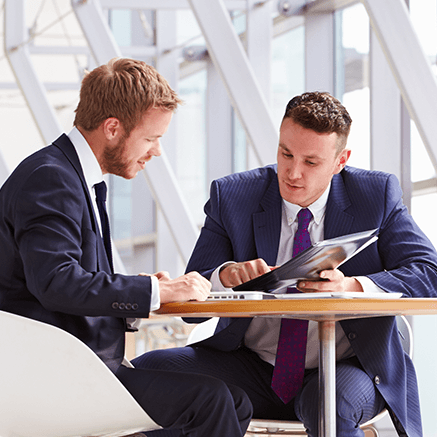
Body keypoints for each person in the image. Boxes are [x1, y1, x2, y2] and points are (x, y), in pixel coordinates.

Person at [133, 91, 437, 437]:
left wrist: (350, 286)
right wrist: (225, 277)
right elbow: (192, 306)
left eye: (311, 162)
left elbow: (429, 272)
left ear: (341, 161)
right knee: (146, 372)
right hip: (252, 367)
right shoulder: (233, 196)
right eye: (285, 154)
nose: (293, 173)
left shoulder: (375, 194)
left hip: (345, 367)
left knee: (329, 407)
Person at [0, 57, 252, 437]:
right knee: (212, 401)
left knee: (235, 402)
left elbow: (68, 278)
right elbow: (56, 283)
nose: (157, 152)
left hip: (76, 364)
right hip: (55, 375)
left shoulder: (71, 177)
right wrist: (153, 291)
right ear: (113, 128)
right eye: (151, 139)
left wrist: (147, 289)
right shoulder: (51, 179)